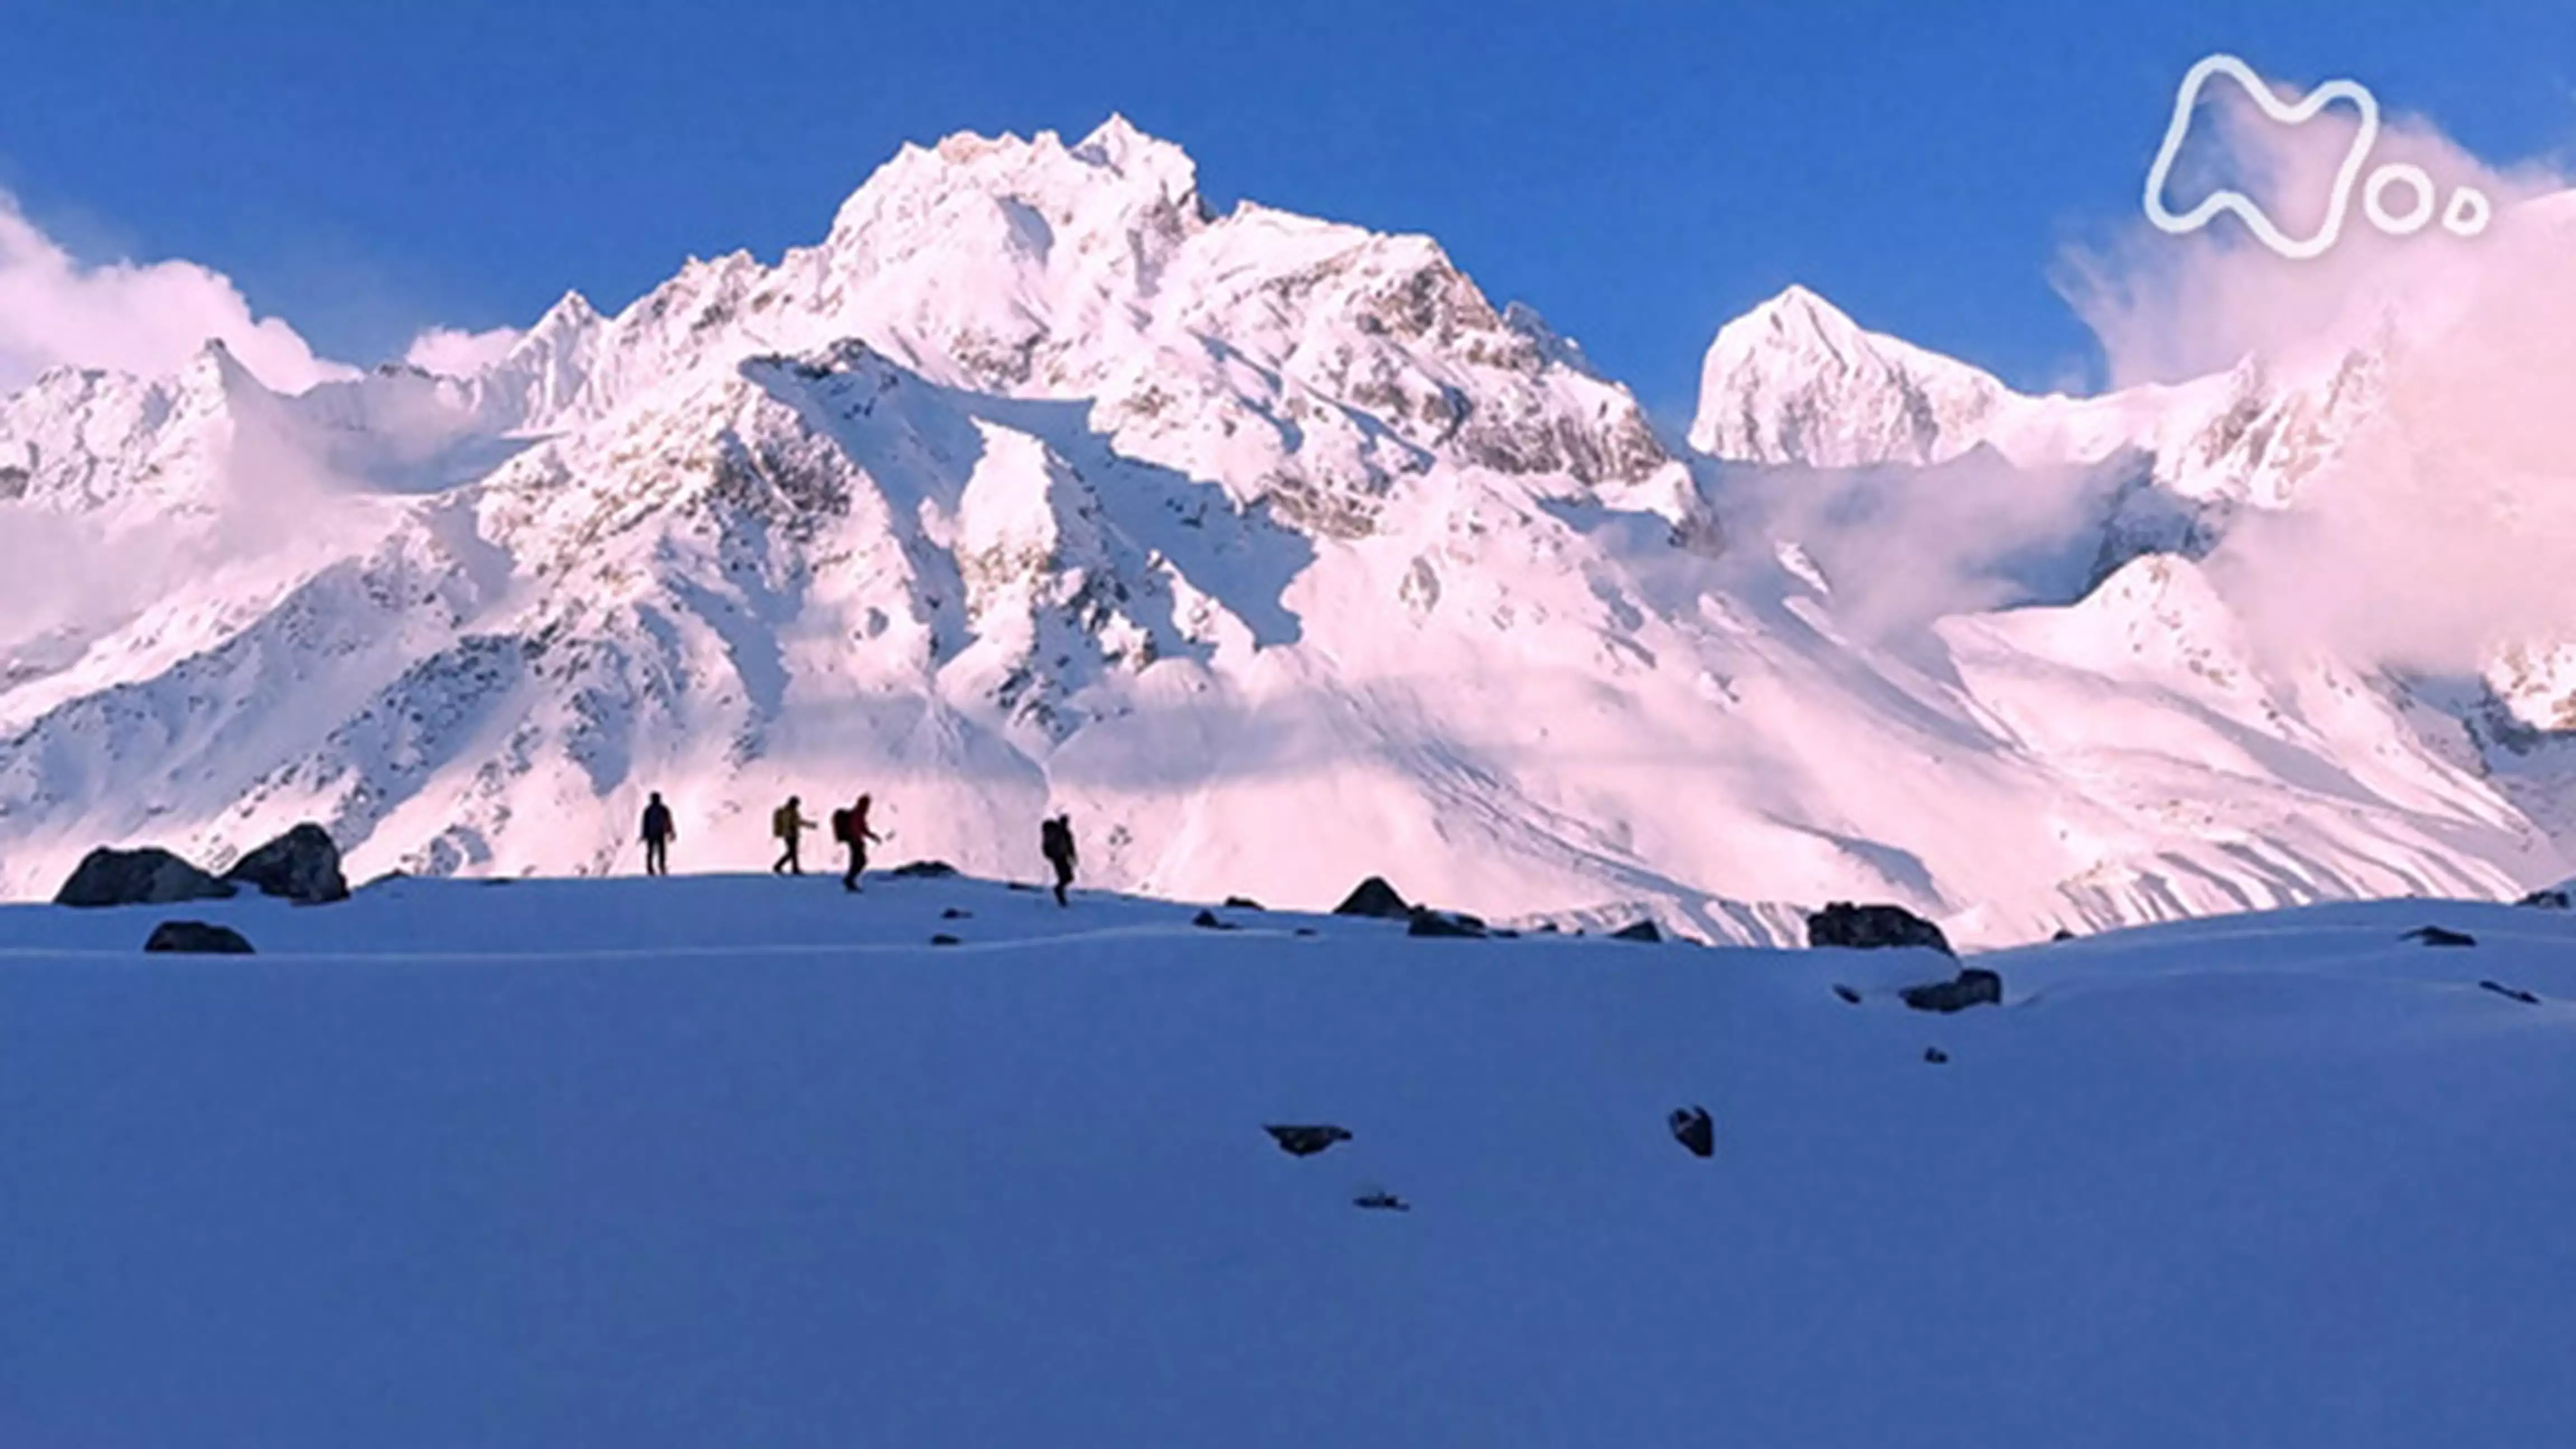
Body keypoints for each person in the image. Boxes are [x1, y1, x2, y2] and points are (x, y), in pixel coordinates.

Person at [834, 793, 883, 893]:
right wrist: (859, 840)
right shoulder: (858, 814)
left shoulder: (859, 813)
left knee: (858, 862)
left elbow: (863, 829)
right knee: (860, 862)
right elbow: (857, 828)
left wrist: (873, 837)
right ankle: (849, 880)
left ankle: (850, 880)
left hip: (855, 842)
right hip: (856, 842)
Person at [771, 795, 816, 875]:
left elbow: (796, 822)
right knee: (792, 852)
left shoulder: (788, 811)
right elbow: (796, 822)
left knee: (793, 852)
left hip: (789, 834)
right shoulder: (790, 812)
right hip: (791, 834)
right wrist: (809, 825)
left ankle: (793, 868)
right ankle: (779, 866)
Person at [1040, 812, 1077, 907]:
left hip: (1060, 857)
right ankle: (1060, 895)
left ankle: (1060, 894)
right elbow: (1070, 847)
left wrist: (1073, 857)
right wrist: (1073, 857)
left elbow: (1070, 847)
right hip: (1059, 857)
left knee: (1067, 877)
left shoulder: (1064, 833)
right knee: (1066, 877)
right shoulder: (1061, 833)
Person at [640, 791, 676, 876]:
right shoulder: (663, 809)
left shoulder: (648, 810)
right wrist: (671, 832)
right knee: (662, 852)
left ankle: (650, 868)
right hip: (661, 833)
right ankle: (662, 867)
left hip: (651, 835)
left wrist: (644, 834)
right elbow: (669, 821)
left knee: (651, 852)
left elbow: (645, 823)